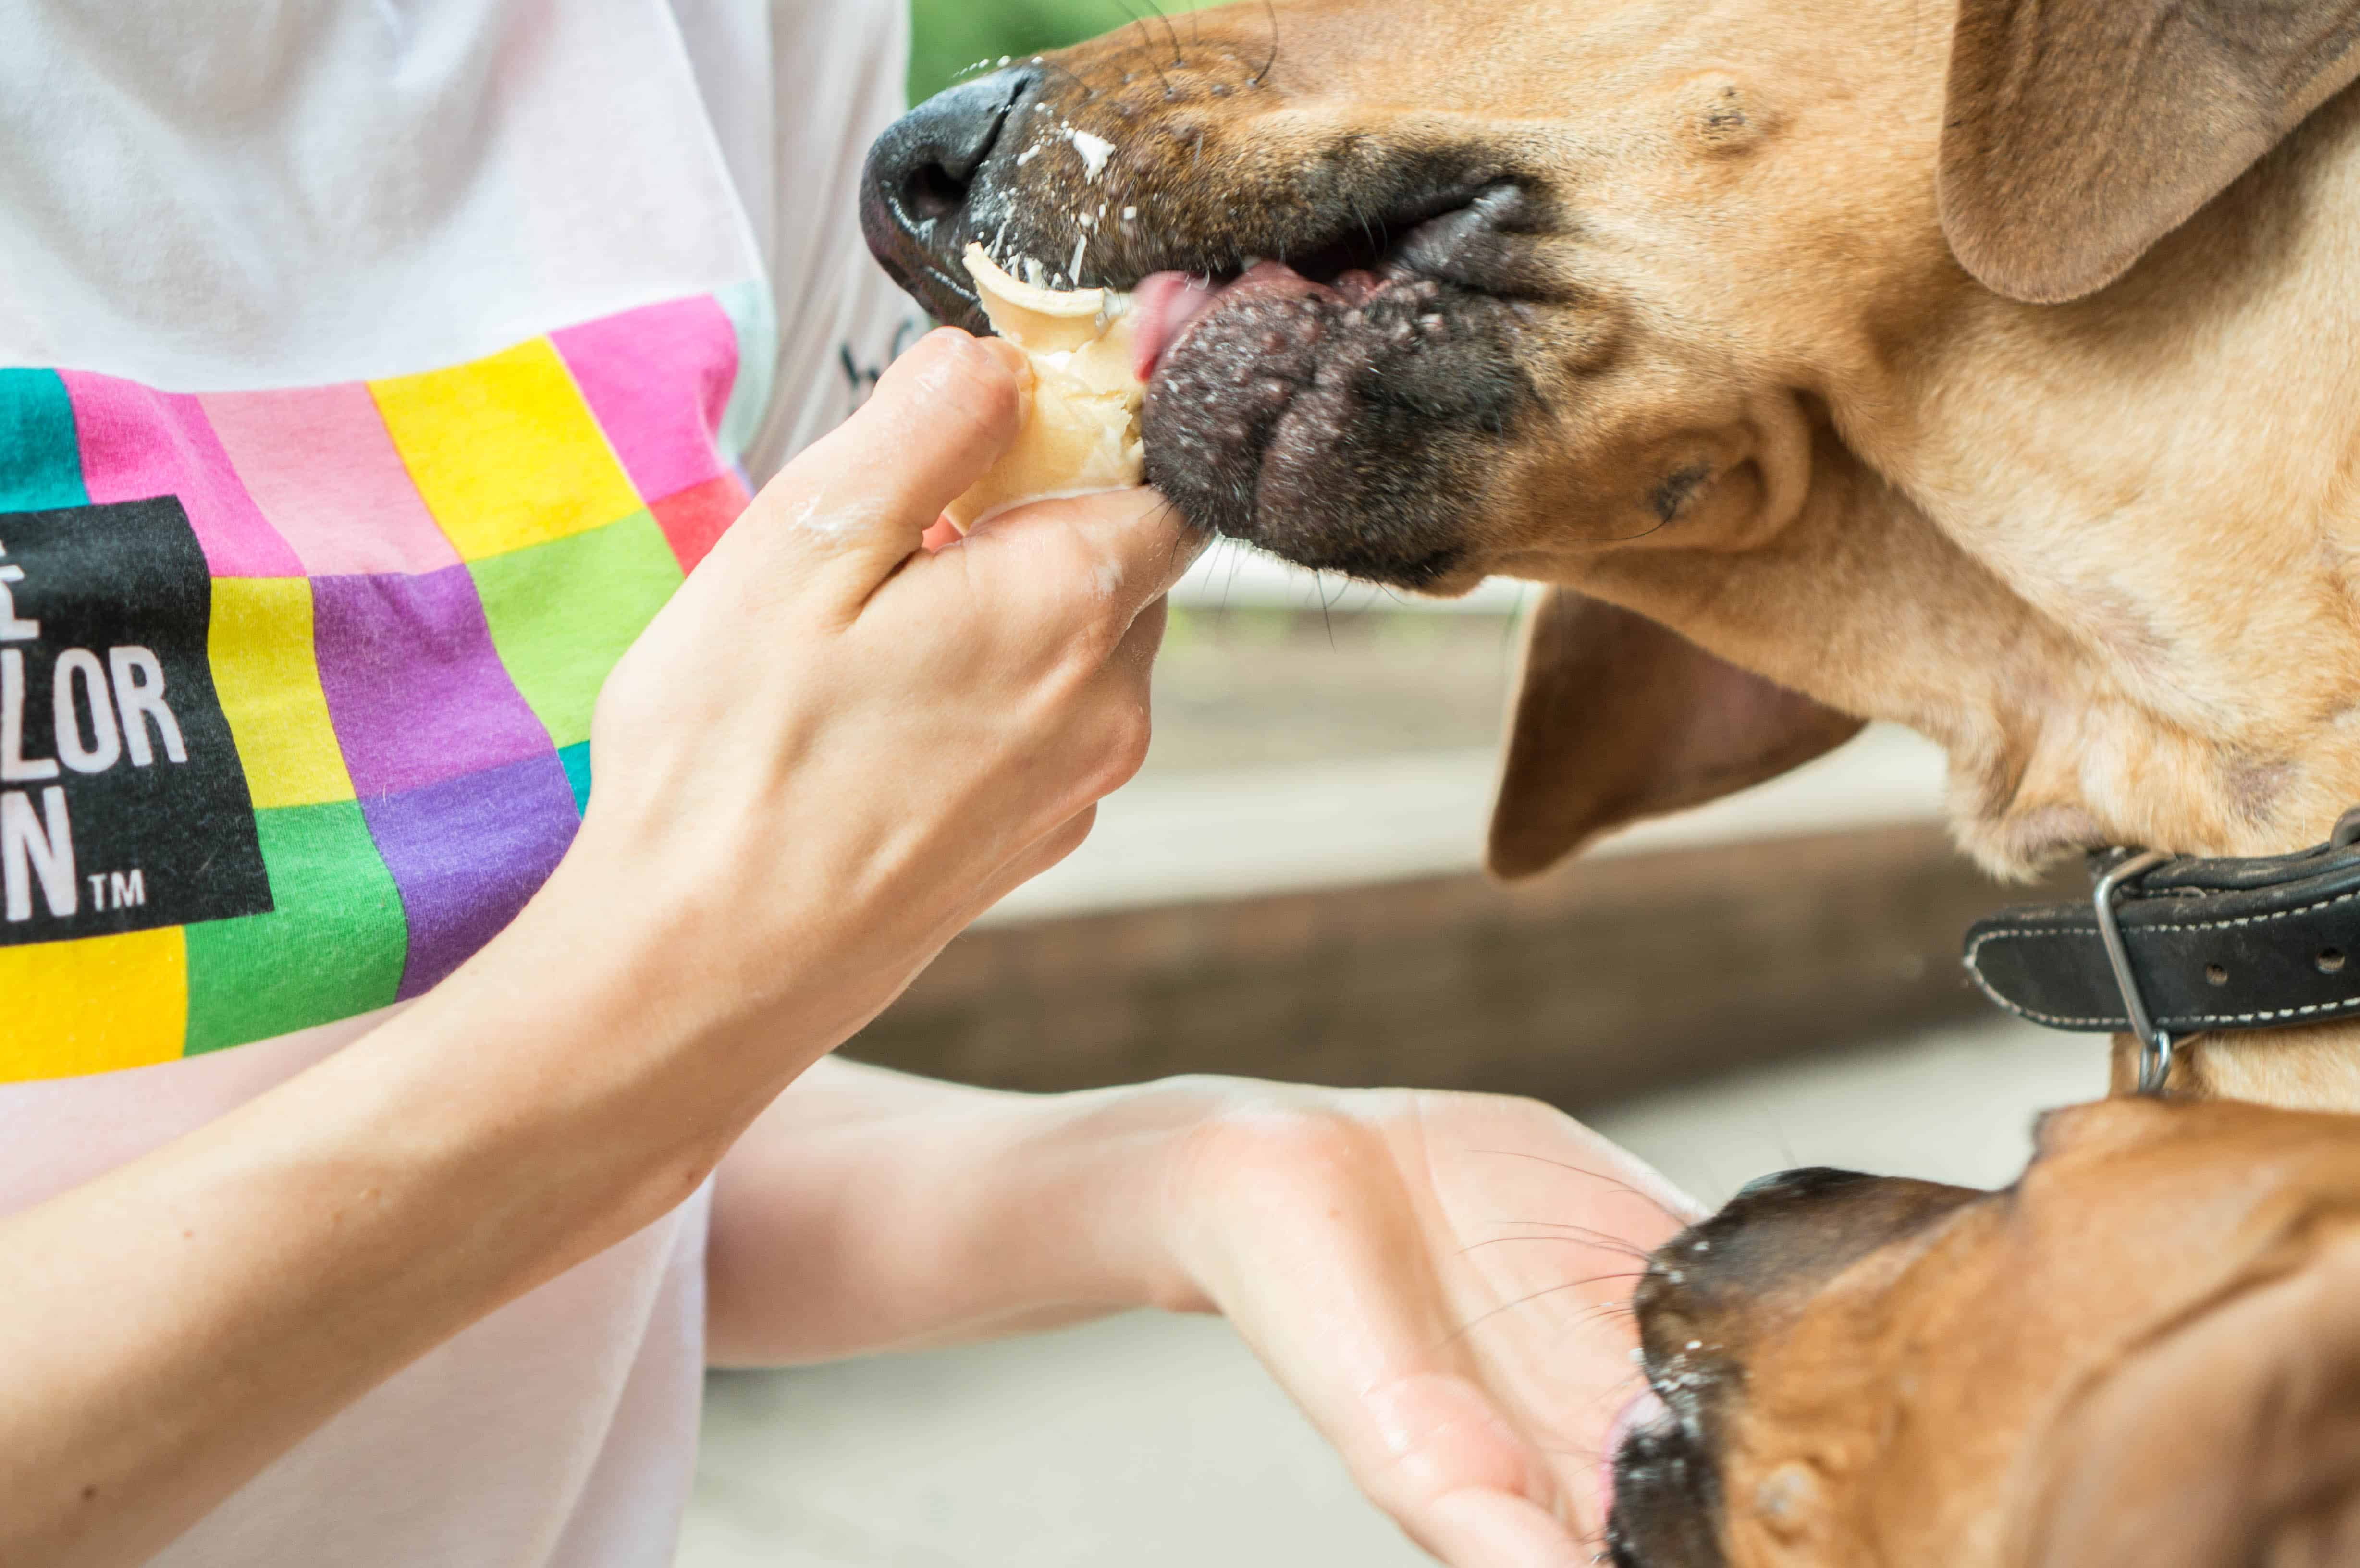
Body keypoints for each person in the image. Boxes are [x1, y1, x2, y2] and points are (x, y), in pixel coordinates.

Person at [0, 3, 1692, 1566]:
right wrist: (673, 991)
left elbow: (567, 1191)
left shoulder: (732, 39)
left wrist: (1206, 1166)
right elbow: (609, 1059)